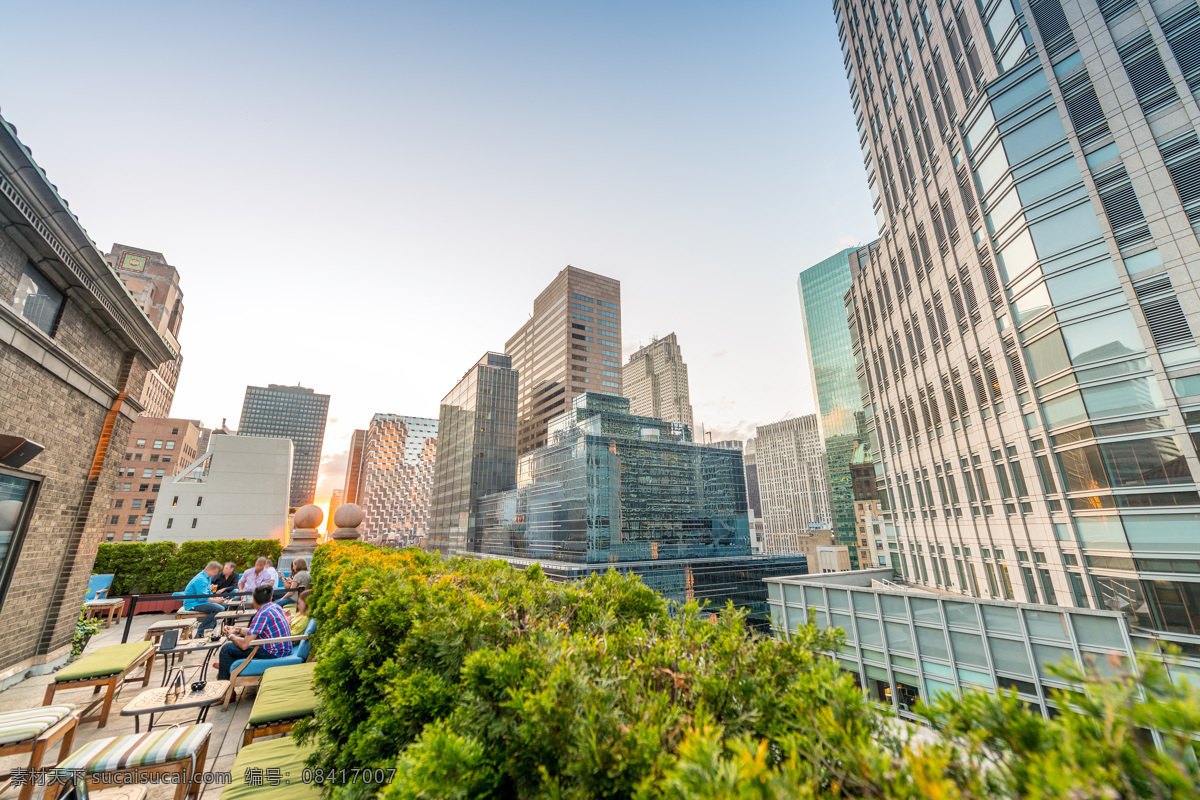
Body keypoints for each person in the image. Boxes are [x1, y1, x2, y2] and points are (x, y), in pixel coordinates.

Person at [216, 585, 293, 681]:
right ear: (271, 598)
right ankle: (227, 674)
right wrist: (236, 629)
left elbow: (245, 645)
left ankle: (224, 687)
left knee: (227, 649)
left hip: (274, 653)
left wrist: (230, 635)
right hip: (283, 649)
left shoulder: (262, 614)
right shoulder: (275, 606)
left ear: (254, 601)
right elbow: (256, 631)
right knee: (237, 640)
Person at [182, 561, 225, 635]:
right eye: (215, 572)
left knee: (224, 605)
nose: (216, 574)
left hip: (200, 601)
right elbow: (201, 598)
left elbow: (207, 593)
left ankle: (213, 629)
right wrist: (216, 601)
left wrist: (216, 598)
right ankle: (201, 631)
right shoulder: (200, 579)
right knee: (219, 609)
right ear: (209, 570)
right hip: (193, 603)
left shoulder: (207, 578)